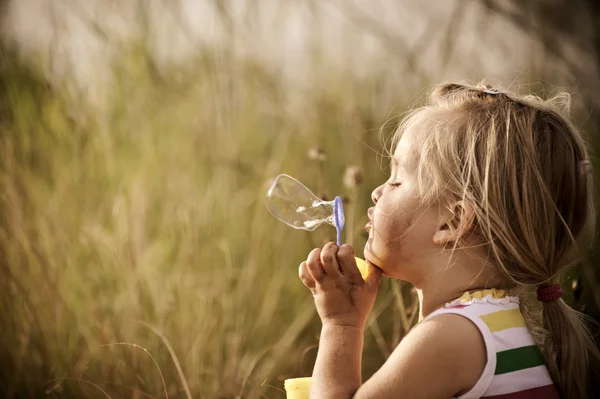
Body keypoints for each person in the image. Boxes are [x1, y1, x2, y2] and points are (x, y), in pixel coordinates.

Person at [298, 82, 600, 399]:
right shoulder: (507, 326)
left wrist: (341, 325)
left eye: (397, 180)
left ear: (452, 222)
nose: (376, 192)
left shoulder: (449, 337)